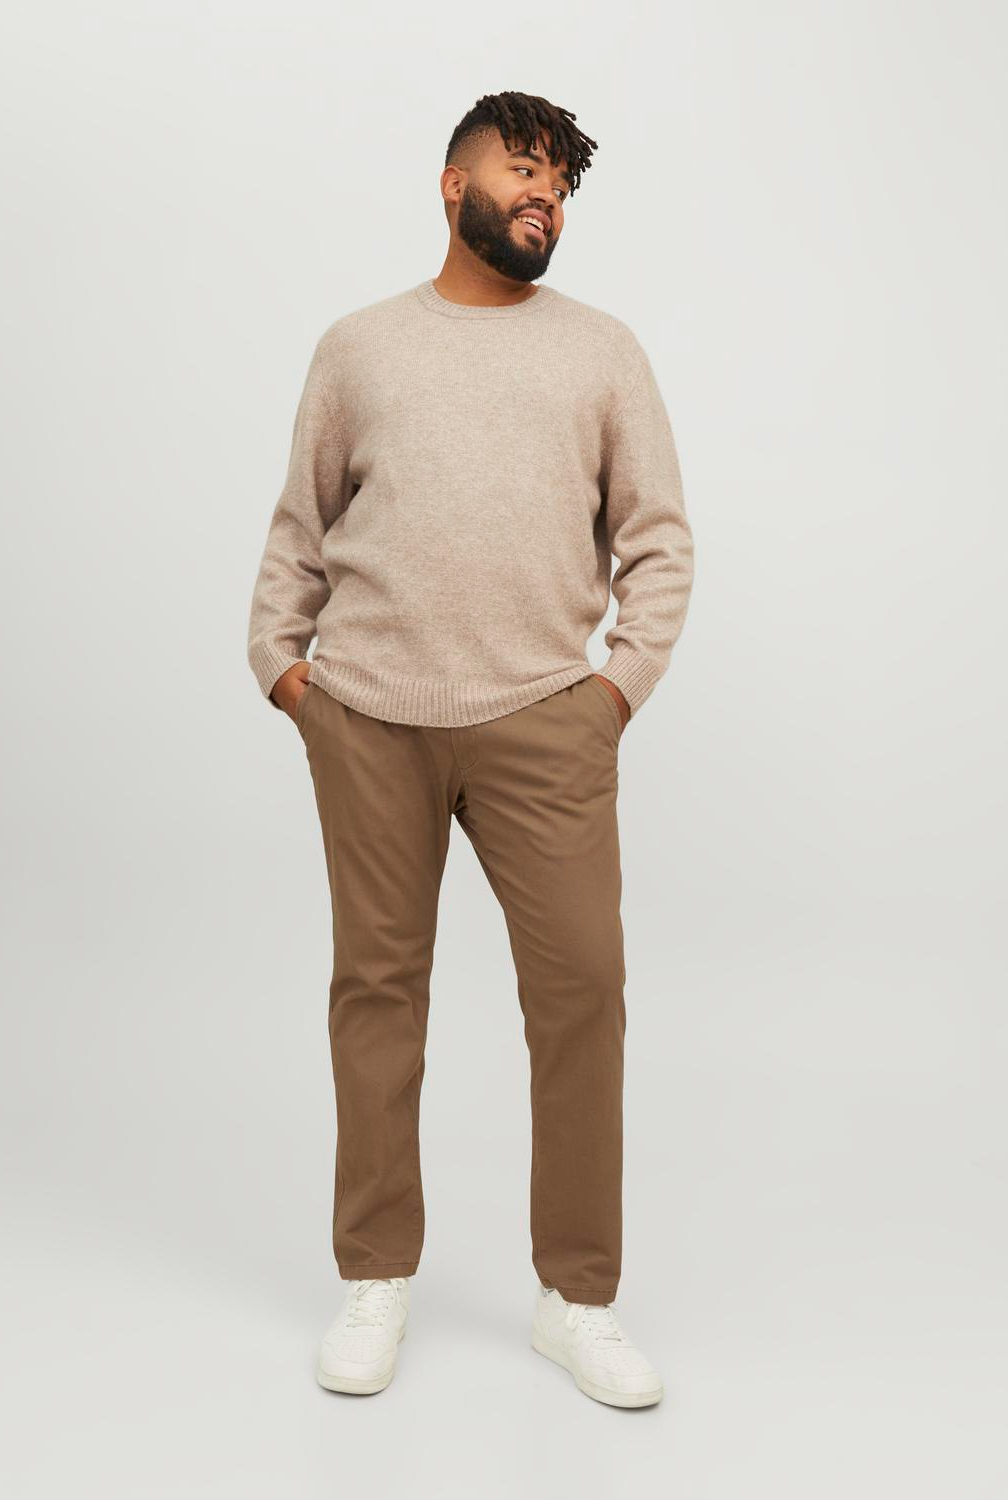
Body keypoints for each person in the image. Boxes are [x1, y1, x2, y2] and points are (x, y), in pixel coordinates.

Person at [246, 90, 694, 1408]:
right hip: (370, 716)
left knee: (583, 992)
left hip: (545, 718)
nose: (543, 195)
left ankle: (577, 1298)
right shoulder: (360, 347)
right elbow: (301, 525)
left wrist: (612, 692)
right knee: (377, 996)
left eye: (560, 182)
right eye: (522, 171)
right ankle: (375, 1274)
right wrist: (285, 670)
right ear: (454, 186)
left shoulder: (602, 352)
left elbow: (658, 538)